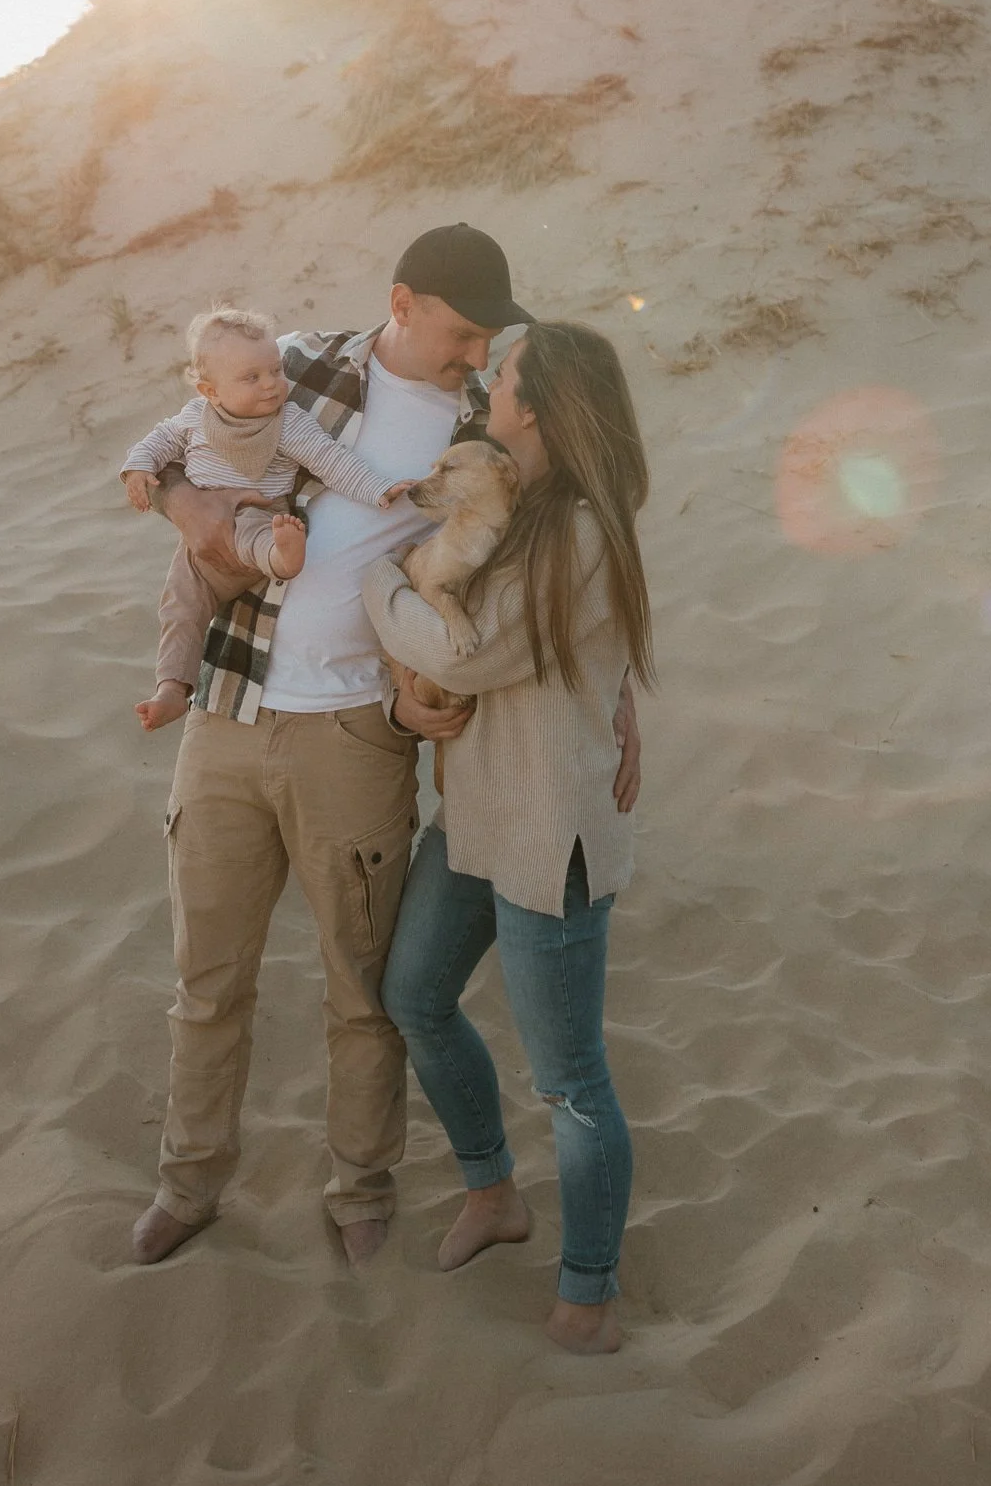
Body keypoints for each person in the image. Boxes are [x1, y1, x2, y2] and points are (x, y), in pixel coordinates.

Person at [131, 226, 643, 1270]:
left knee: (363, 990)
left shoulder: (487, 428)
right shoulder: (297, 364)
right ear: (402, 305)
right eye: (461, 333)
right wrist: (199, 518)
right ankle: (188, 1184)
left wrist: (618, 688)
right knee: (208, 978)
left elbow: (542, 560)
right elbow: (181, 452)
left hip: (362, 730)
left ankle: (361, 1189)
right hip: (230, 706)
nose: (474, 357)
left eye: (488, 343)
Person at [365, 319, 653, 1353]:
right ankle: (493, 1191)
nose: (489, 384)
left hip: (551, 833)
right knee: (415, 996)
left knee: (571, 1082)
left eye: (506, 377)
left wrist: (376, 589)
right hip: (478, 816)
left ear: (535, 405)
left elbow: (475, 656)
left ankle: (590, 1293)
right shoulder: (520, 507)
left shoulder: (578, 528)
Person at [121, 305, 418, 731]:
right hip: (198, 550)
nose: (271, 386)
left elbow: (331, 460)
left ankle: (283, 558)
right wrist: (137, 469)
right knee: (180, 607)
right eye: (251, 378)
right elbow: (158, 440)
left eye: (275, 371)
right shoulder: (194, 418)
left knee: (253, 529)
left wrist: (377, 490)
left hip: (259, 523)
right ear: (210, 391)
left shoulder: (288, 422)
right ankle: (171, 687)